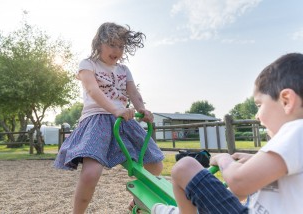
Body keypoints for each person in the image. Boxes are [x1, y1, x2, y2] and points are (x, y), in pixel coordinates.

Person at [152, 52, 303, 214]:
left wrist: (224, 160)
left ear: (286, 100)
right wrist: (255, 161)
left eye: (259, 105)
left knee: (184, 166)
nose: (257, 116)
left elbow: (240, 183)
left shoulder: (297, 130)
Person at [54, 22, 164, 214]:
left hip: (124, 121)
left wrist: (142, 109)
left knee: (155, 164)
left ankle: (136, 202)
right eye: (112, 44)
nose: (117, 50)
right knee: (91, 173)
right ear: (99, 44)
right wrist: (115, 109)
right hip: (97, 120)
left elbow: (133, 93)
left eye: (121, 46)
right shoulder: (88, 64)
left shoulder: (124, 70)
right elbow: (92, 89)